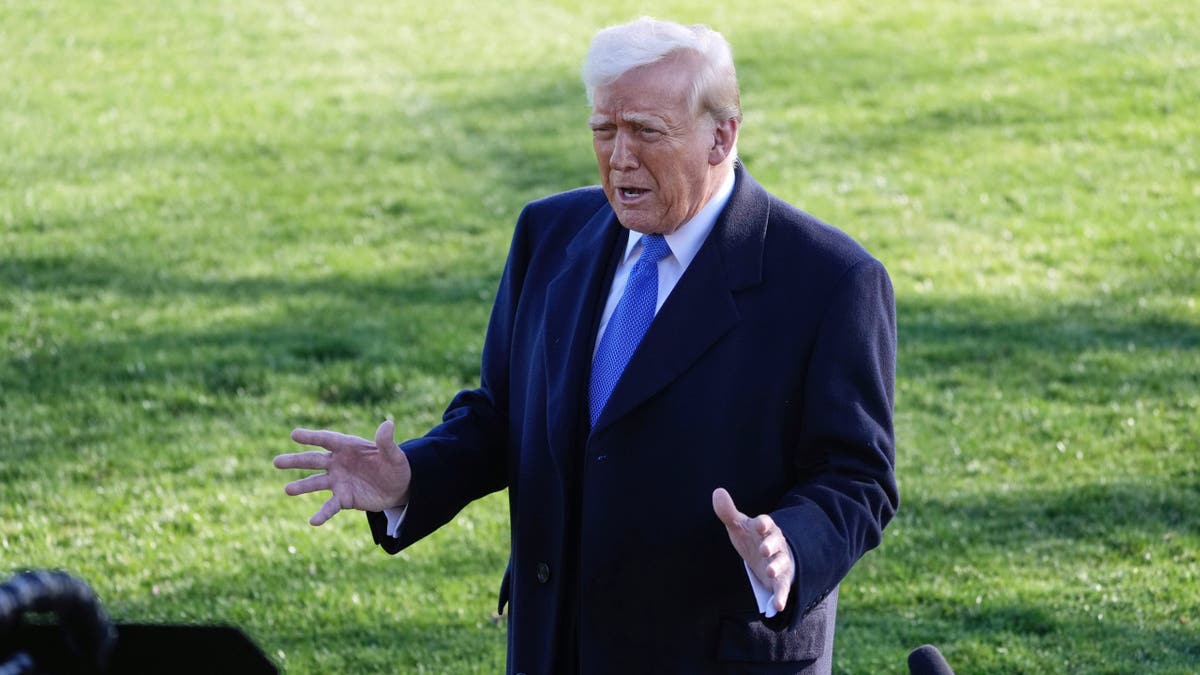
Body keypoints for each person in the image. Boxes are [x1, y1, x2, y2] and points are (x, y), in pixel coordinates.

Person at [274, 17, 897, 675]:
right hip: (553, 649)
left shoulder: (828, 281)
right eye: (605, 130)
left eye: (647, 132)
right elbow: (502, 415)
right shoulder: (548, 233)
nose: (619, 157)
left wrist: (790, 545)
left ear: (722, 136)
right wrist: (412, 477)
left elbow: (857, 475)